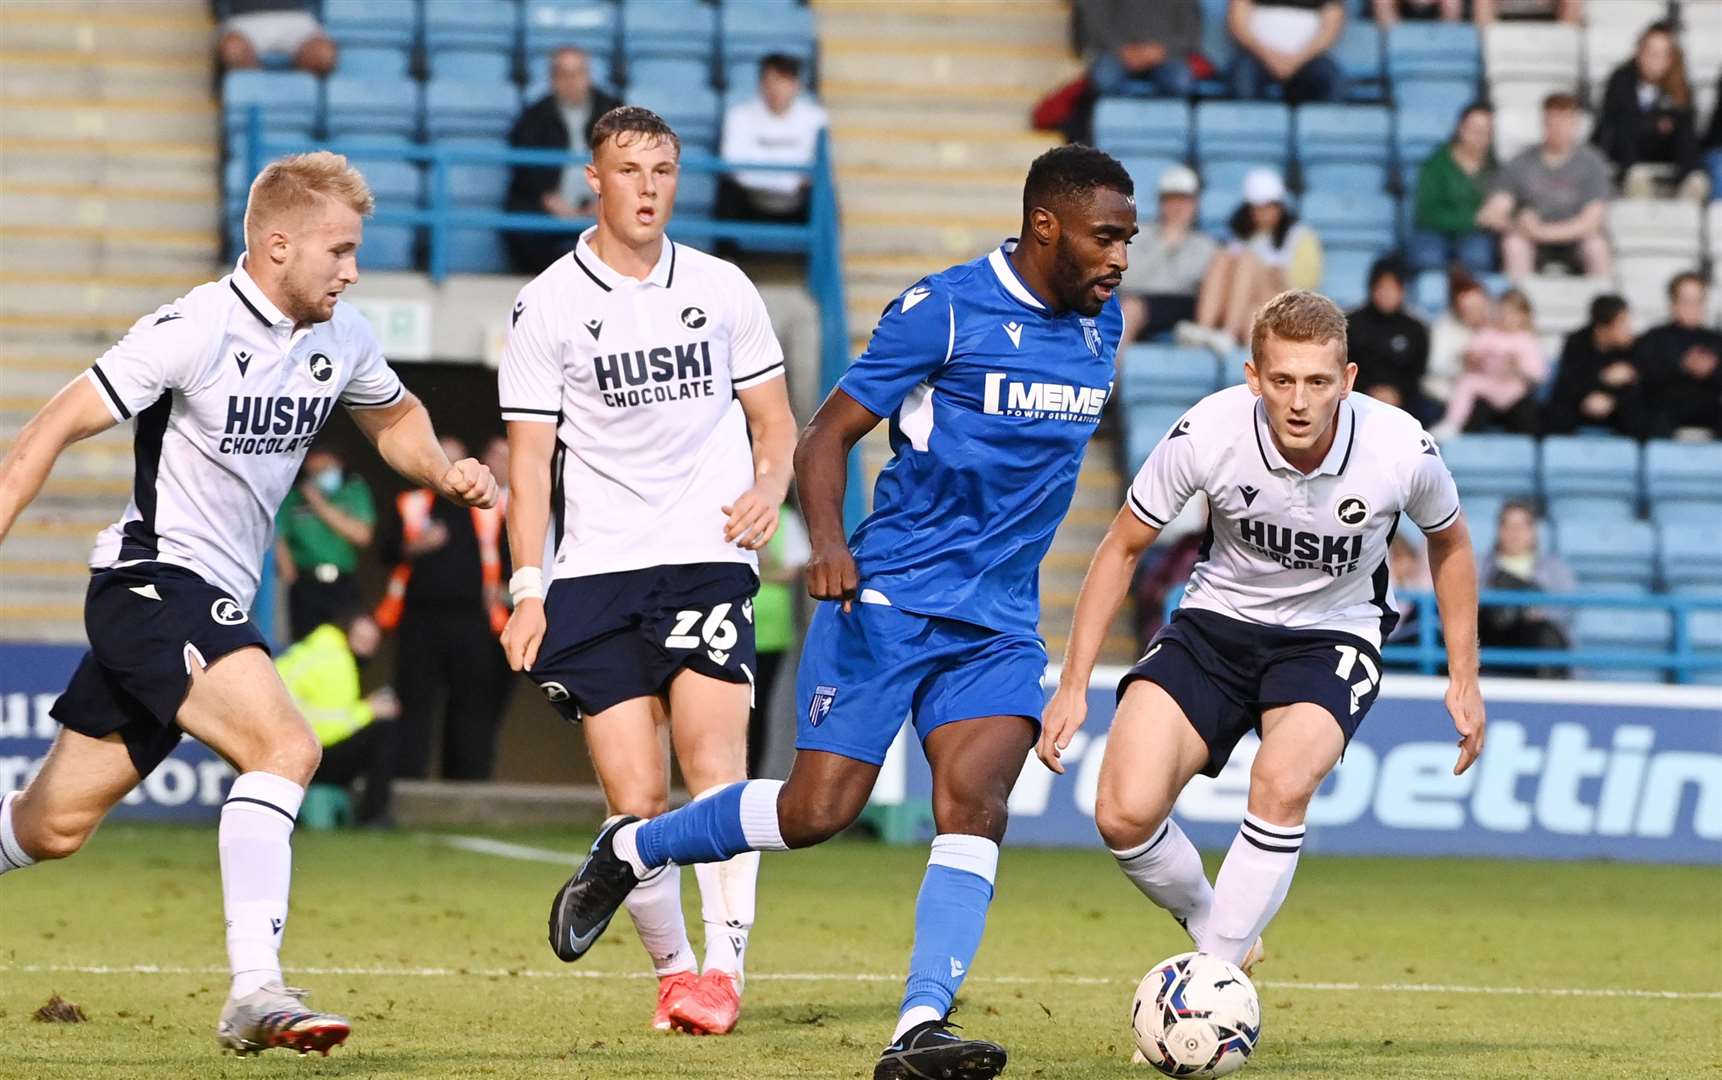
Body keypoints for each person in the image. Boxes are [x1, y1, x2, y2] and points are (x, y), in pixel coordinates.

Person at [537, 144, 1135, 1080]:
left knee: (975, 805)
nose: (1121, 258)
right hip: (888, 597)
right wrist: (827, 543)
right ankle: (634, 847)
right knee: (820, 812)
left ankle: (919, 1026)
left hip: (1000, 621)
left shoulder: (1106, 327)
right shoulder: (941, 310)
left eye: (1129, 239)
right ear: (1046, 226)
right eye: (1107, 236)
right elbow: (824, 437)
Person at [0, 152, 497, 1056]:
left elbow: (395, 415)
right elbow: (48, 429)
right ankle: (255, 990)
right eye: (339, 251)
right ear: (276, 245)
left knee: (52, 826)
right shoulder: (190, 328)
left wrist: (442, 466)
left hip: (205, 596)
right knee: (286, 744)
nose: (352, 271)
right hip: (151, 584)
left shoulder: (339, 337)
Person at [1041, 291, 1484, 1017]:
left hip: (1333, 635)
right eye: (1283, 381)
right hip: (1215, 623)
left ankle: (1207, 994)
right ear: (1254, 377)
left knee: (1281, 781)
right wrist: (1074, 683)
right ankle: (1224, 931)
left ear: (1348, 378)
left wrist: (1464, 676)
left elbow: (1452, 543)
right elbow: (1122, 545)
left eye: (1318, 382)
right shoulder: (1207, 433)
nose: (1300, 401)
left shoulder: (1400, 448)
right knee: (1123, 814)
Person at [499, 107, 799, 1038]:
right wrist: (527, 586)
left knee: (717, 770)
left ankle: (724, 970)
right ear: (594, 178)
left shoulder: (722, 286)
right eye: (629, 170)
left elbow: (776, 423)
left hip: (706, 557)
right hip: (594, 576)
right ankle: (674, 975)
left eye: (662, 170)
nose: (647, 187)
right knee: (635, 805)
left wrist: (770, 489)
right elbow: (528, 461)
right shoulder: (548, 301)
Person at [374, 435, 512, 783]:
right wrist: (416, 546)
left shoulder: (490, 507)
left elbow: (510, 556)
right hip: (419, 621)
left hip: (473, 622)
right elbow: (384, 550)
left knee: (471, 706)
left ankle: (467, 785)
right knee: (414, 703)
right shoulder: (412, 504)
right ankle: (407, 783)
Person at [504, 47, 624, 275]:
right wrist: (548, 199)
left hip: (603, 203)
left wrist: (604, 199)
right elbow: (524, 168)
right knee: (521, 223)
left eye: (577, 73)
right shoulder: (533, 116)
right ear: (552, 78)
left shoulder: (614, 111)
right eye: (563, 74)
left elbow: (627, 159)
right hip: (547, 206)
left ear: (588, 76)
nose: (571, 81)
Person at [277, 610, 398, 826]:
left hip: (281, 753)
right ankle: (373, 817)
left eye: (372, 643)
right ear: (348, 635)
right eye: (364, 642)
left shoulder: (307, 650)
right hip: (310, 758)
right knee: (385, 733)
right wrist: (372, 710)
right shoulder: (338, 661)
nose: (368, 650)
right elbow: (333, 728)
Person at [1477, 93, 1612, 280]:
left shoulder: (1592, 163)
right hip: (1531, 240)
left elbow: (1591, 220)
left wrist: (1542, 232)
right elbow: (1492, 213)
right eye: (1552, 122)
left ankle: (1601, 302)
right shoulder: (1521, 162)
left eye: (1564, 122)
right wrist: (1517, 222)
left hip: (1575, 239)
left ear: (1575, 125)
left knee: (1597, 247)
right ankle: (1519, 305)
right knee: (1514, 245)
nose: (1557, 129)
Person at [1188, 168, 1321, 350]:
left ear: (1280, 207)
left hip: (1283, 305)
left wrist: (1278, 277)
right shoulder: (1242, 237)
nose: (1263, 213)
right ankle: (1204, 326)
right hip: (1250, 308)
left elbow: (1306, 290)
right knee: (1223, 258)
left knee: (1247, 262)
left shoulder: (1301, 237)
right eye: (1257, 208)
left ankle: (1229, 332)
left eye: (1269, 207)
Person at [1593, 22, 1708, 201]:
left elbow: (1686, 121)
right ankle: (1635, 176)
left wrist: (1662, 123)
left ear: (1671, 58)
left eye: (1662, 54)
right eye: (1651, 53)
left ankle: (1691, 180)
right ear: (1639, 53)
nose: (1656, 60)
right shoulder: (1621, 79)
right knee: (1625, 128)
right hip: (1627, 151)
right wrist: (1656, 123)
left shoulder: (1679, 83)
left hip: (1662, 148)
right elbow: (1617, 120)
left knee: (1686, 133)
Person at [717, 53, 829, 226]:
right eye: (771, 80)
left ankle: (821, 253)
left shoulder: (815, 118)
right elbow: (733, 165)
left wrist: (769, 172)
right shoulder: (739, 116)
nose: (777, 88)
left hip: (796, 200)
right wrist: (786, 178)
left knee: (825, 196)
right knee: (726, 192)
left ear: (796, 85)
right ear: (761, 84)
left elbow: (811, 169)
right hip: (751, 198)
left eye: (784, 81)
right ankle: (726, 254)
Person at [274, 447, 373, 641]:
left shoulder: (353, 490)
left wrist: (318, 503)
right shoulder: (293, 497)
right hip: (306, 584)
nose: (320, 476)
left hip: (342, 583)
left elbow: (362, 535)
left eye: (325, 469)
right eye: (314, 471)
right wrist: (291, 579)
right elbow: (279, 539)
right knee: (303, 644)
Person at [1119, 165, 1218, 343]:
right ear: (1161, 203)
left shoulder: (1205, 245)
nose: (1178, 207)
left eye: (1185, 201)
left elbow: (1199, 286)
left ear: (1195, 204)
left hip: (1186, 305)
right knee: (1129, 308)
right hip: (1143, 302)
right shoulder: (1138, 236)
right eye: (1171, 200)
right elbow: (1128, 280)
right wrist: (1165, 246)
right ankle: (1107, 369)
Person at [1479, 500, 1575, 679]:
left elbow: (1565, 609)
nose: (1514, 533)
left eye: (1520, 526)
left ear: (1533, 531)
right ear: (1499, 530)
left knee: (1546, 635)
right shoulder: (1481, 568)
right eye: (1508, 526)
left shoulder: (1554, 569)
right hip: (1492, 635)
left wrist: (1535, 609)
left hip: (1532, 638)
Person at [1432, 288, 1547, 437]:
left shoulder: (1527, 340)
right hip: (1486, 387)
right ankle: (1453, 423)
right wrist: (1478, 360)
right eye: (1504, 312)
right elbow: (1473, 355)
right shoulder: (1488, 334)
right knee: (1467, 383)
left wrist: (1516, 367)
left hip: (1513, 391)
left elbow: (1538, 374)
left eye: (1513, 314)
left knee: (1529, 415)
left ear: (1524, 316)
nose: (1507, 318)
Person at [750, 497, 810, 778]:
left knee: (759, 710)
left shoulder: (785, 519)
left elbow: (792, 571)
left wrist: (762, 565)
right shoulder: (727, 510)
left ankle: (752, 777)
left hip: (771, 635)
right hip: (731, 629)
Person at [1544, 294, 1648, 439]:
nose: (1628, 329)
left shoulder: (1635, 347)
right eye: (1622, 324)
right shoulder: (1576, 342)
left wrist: (1613, 401)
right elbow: (1568, 383)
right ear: (1602, 328)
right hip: (1581, 403)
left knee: (1641, 416)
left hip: (1617, 405)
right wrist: (1602, 379)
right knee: (1556, 414)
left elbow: (1639, 388)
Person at [1409, 103, 1497, 275]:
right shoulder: (1436, 165)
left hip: (1476, 237)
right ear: (1461, 129)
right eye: (1475, 130)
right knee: (1429, 257)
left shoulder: (1495, 167)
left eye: (1486, 131)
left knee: (1478, 256)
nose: (1480, 136)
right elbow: (1427, 213)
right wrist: (1473, 219)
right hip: (1434, 233)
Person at [1638, 272, 1722, 440]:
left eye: (1698, 301)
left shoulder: (1716, 339)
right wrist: (1682, 367)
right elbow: (1646, 377)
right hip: (1665, 408)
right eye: (1687, 302)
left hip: (1708, 407)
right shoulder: (1655, 337)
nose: (1694, 308)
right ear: (1673, 304)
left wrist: (1711, 371)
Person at [1346, 257, 1431, 416]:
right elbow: (1344, 365)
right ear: (1371, 288)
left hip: (1404, 399)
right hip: (1356, 397)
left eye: (1393, 288)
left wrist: (1396, 393)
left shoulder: (1415, 328)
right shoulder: (1351, 324)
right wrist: (1369, 391)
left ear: (1402, 291)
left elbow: (1417, 372)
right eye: (1382, 287)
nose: (1387, 294)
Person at [1227, 0, 1347, 105]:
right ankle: (1253, 128)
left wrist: (1296, 60)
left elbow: (1331, 29)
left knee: (1333, 81)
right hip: (1257, 56)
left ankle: (1319, 129)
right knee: (1242, 78)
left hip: (1308, 58)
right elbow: (1238, 23)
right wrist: (1270, 57)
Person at [1080, 0, 1200, 99]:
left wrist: (1160, 51)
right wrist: (1120, 49)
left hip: (1165, 56)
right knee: (1105, 78)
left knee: (1180, 81)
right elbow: (1096, 20)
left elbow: (1190, 32)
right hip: (1117, 54)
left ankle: (1162, 123)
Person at [1422, 272, 1490, 409]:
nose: (1476, 313)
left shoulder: (1496, 326)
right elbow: (1435, 365)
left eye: (1479, 308)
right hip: (1444, 396)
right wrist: (1463, 363)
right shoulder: (1443, 329)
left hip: (1486, 396)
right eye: (1469, 309)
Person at [218, 0, 335, 76]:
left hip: (296, 17)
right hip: (245, 19)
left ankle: (292, 100)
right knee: (233, 50)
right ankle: (259, 94)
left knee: (323, 54)